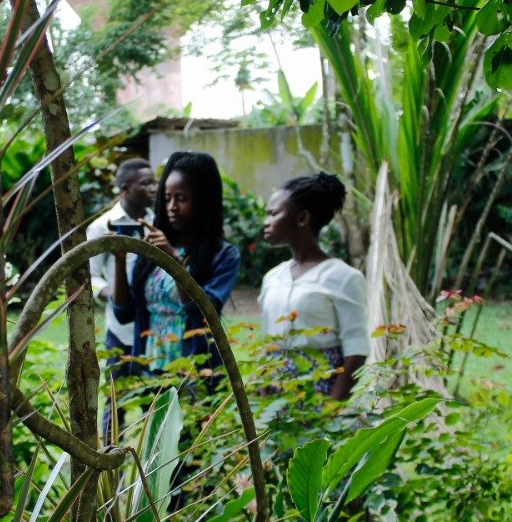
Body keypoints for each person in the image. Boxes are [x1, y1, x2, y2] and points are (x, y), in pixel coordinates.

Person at [111, 151, 241, 377]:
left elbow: (202, 312)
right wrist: (120, 262)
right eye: (167, 198)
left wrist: (173, 259)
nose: (172, 207)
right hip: (150, 374)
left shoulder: (223, 255)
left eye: (181, 199)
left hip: (196, 374)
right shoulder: (151, 248)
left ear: (202, 201)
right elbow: (124, 313)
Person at [258, 172, 369, 400]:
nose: (266, 222)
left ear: (302, 218)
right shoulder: (273, 278)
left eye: (273, 214)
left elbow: (356, 352)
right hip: (275, 399)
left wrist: (331, 409)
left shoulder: (343, 277)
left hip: (321, 395)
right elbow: (266, 341)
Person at [86, 158, 156, 355]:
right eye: (145, 183)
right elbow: (90, 275)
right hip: (120, 330)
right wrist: (113, 295)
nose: (153, 188)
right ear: (126, 188)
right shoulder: (103, 226)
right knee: (119, 384)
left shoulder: (156, 223)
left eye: (153, 182)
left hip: (155, 327)